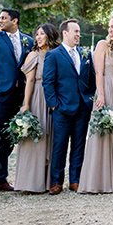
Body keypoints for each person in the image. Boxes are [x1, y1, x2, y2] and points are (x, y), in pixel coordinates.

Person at [0, 8, 33, 197]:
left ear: (15, 21)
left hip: (19, 97)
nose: (0, 21)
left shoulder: (29, 41)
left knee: (10, 139)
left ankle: (2, 178)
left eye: (4, 18)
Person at [79, 15, 113, 194]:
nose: (109, 30)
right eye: (109, 27)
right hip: (106, 91)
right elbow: (98, 73)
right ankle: (100, 180)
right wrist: (100, 95)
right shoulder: (102, 44)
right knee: (104, 132)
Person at [42, 19, 95, 194]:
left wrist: (89, 99)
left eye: (79, 31)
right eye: (76, 31)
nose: (79, 34)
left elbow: (91, 79)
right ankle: (56, 182)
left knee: (79, 145)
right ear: (65, 33)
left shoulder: (86, 54)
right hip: (62, 108)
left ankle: (75, 180)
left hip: (82, 108)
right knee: (60, 145)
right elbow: (48, 82)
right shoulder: (54, 55)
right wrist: (54, 105)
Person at [14, 23, 58, 193]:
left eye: (42, 34)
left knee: (50, 137)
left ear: (51, 36)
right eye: (37, 34)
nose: (38, 37)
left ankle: (47, 181)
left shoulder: (56, 54)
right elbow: (29, 81)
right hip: (37, 97)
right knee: (36, 138)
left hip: (53, 97)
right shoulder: (33, 55)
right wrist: (26, 104)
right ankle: (29, 182)